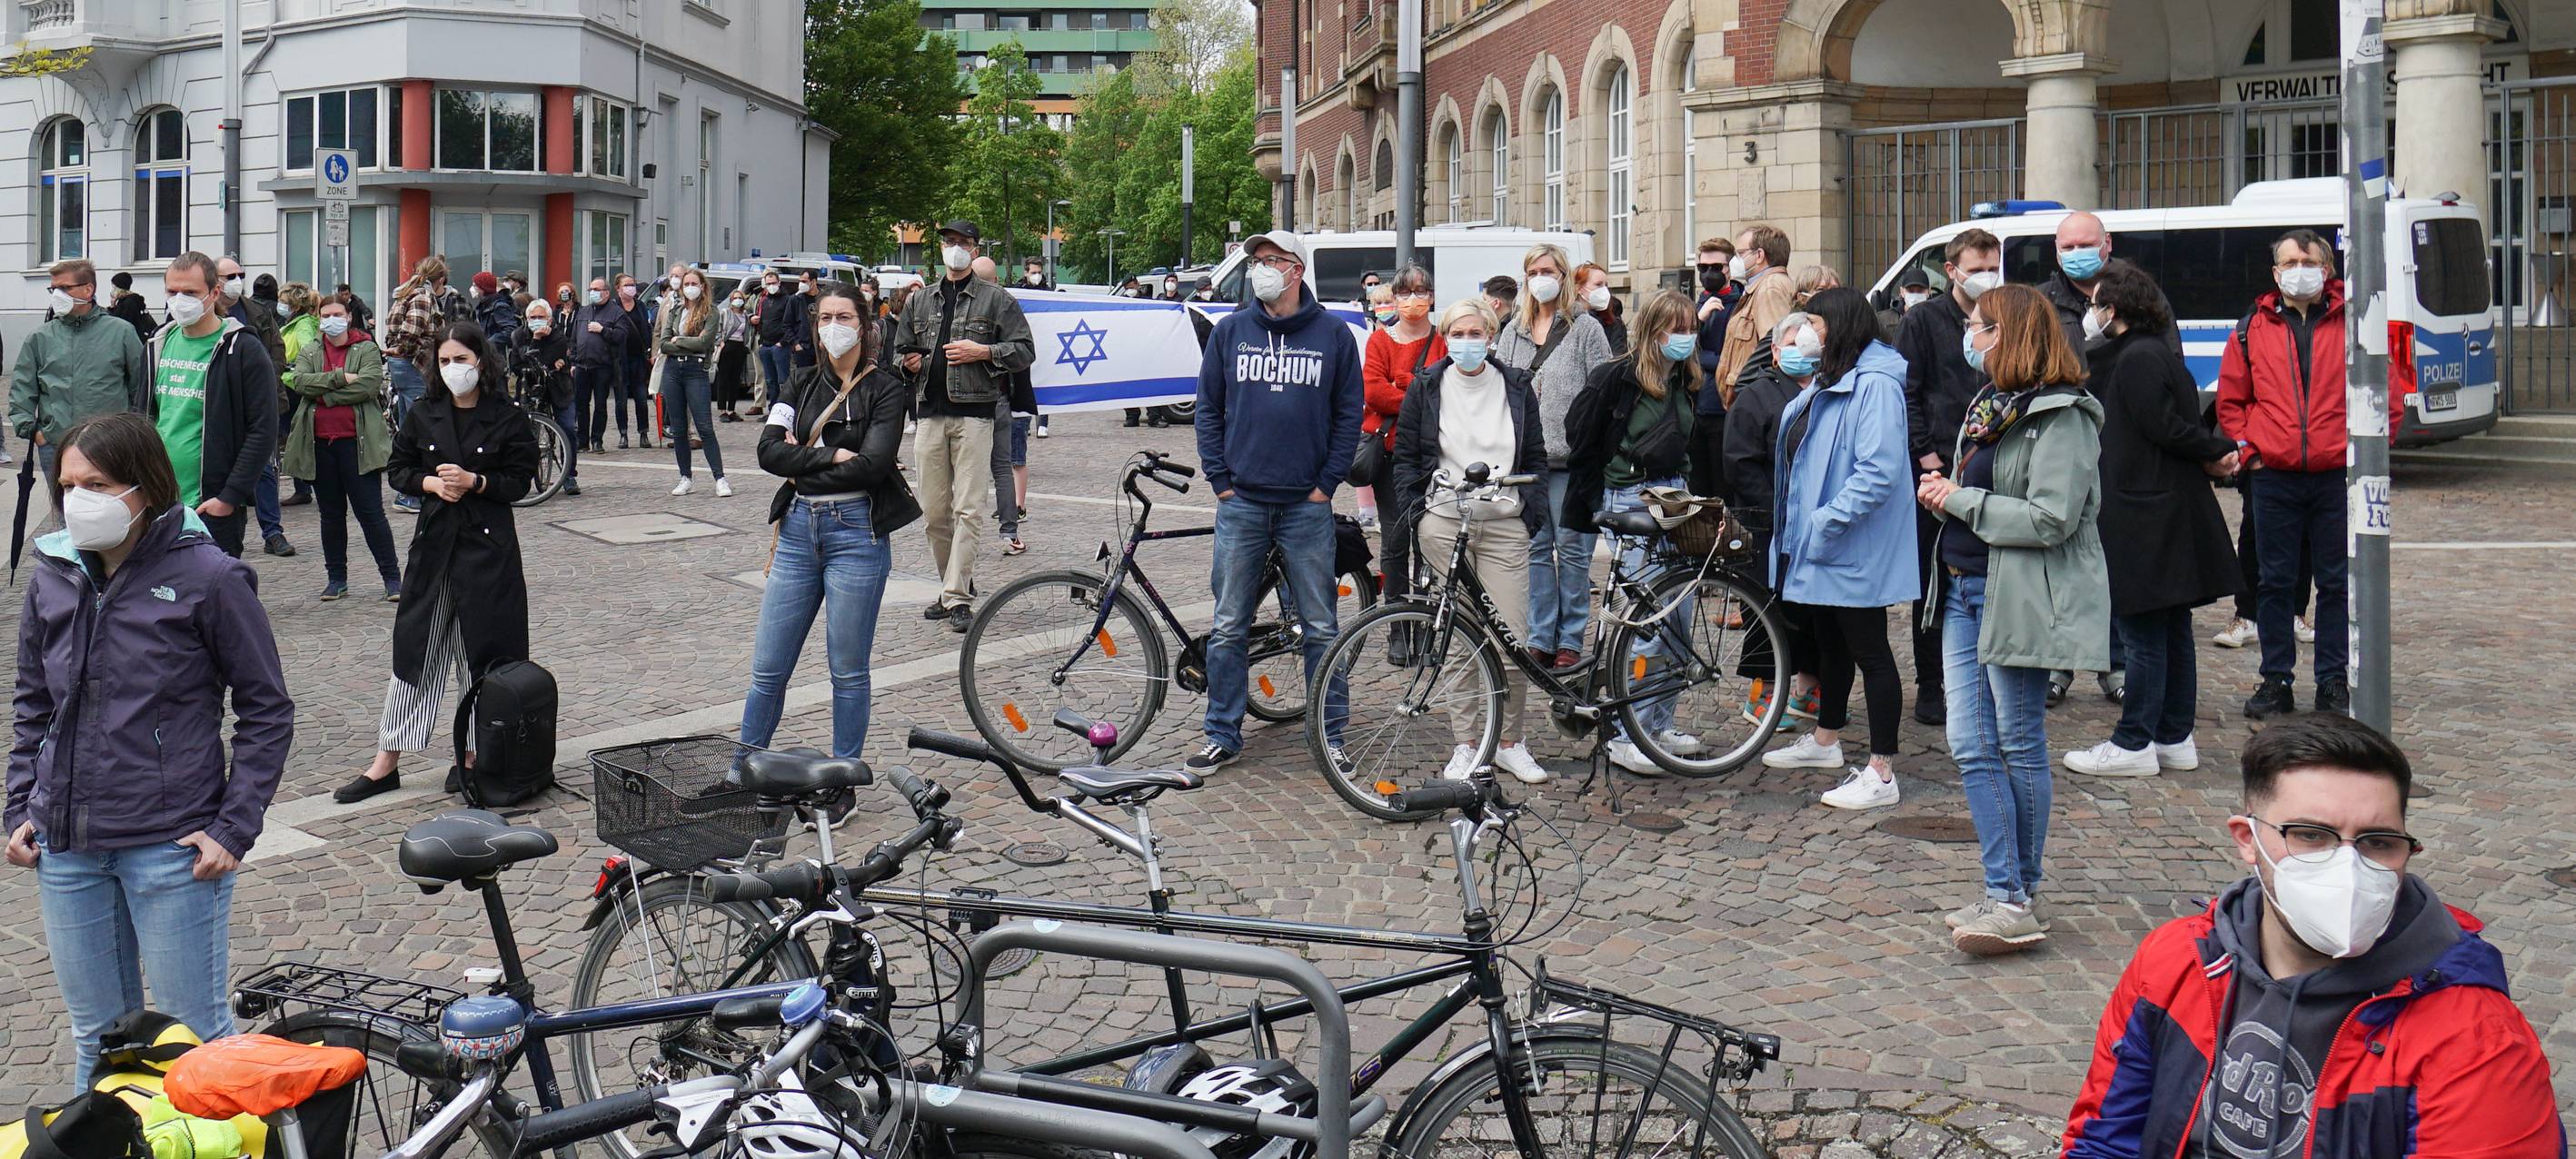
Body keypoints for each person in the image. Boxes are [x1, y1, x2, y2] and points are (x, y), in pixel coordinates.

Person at [2064, 714, 2565, 1157]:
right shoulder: (2177, 962)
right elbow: (2104, 1141)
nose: (2348, 867)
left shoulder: (2475, 1038)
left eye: (2378, 842)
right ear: (2248, 839)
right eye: (2311, 835)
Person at [7, 411, 293, 1084]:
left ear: (143, 488)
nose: (79, 499)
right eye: (68, 484)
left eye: (98, 484)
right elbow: (34, 704)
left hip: (170, 847)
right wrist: (20, 804)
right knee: (98, 1040)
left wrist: (234, 827)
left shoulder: (210, 577)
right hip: (68, 850)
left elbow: (267, 709)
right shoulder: (52, 574)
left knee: (195, 1039)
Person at [1913, 282, 2104, 954]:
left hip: (2015, 593)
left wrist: (1959, 500)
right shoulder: (1991, 404)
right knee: (1969, 744)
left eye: (1979, 326)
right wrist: (1946, 497)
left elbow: (2052, 518)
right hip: (1962, 588)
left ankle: (2014, 896)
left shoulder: (2063, 416)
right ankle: (2008, 891)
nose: (1969, 336)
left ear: (2011, 334)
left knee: (2017, 742)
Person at [335, 322, 539, 804]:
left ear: (481, 361)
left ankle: (472, 754)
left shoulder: (508, 416)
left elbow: (520, 480)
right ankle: (387, 760)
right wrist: (429, 484)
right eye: (444, 361)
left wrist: (475, 481)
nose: (452, 369)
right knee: (415, 650)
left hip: (487, 549)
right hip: (434, 546)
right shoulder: (424, 412)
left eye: (460, 360)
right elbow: (398, 470)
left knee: (483, 653)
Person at [1187, 229, 1361, 774]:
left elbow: (1348, 414)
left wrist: (1327, 483)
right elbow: (1208, 408)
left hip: (1307, 505)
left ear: (1296, 270)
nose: (1261, 268)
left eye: (1272, 259)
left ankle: (1329, 734)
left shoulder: (1333, 335)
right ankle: (1222, 732)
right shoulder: (1230, 331)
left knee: (1320, 627)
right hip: (1242, 502)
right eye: (1256, 260)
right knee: (1228, 625)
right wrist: (1220, 479)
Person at [2062, 262, 2238, 779]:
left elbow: (2165, 427)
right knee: (2170, 630)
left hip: (2144, 512)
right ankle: (2173, 736)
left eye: (2095, 304)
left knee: (2143, 633)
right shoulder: (2152, 352)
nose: (2090, 312)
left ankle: (2134, 739)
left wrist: (2218, 449)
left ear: (2113, 309)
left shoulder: (2137, 357)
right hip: (2160, 507)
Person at [745, 282, 918, 787]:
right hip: (797, 532)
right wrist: (832, 455)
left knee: (847, 670)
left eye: (844, 317)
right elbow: (767, 452)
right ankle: (740, 772)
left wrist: (801, 461)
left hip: (856, 534)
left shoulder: (886, 388)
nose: (833, 327)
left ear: (864, 325)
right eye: (825, 318)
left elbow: (873, 466)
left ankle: (842, 782)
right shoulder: (799, 382)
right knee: (768, 670)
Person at [1760, 286, 1916, 810]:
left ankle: (1882, 771)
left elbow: (1877, 471)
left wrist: (1825, 521)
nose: (1808, 333)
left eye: (1816, 325)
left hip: (1851, 544)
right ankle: (1826, 740)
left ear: (1841, 328)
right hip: (1825, 543)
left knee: (1871, 651)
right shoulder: (1833, 377)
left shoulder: (1876, 385)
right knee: (1831, 643)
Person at [2219, 229, 2376, 720]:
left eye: (2307, 261)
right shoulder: (2252, 327)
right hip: (2274, 477)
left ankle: (2332, 680)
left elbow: (2382, 391)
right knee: (2273, 583)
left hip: (2334, 478)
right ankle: (2276, 680)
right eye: (2289, 263)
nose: (2298, 270)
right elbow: (2232, 400)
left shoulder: (2354, 322)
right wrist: (2252, 451)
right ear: (2275, 273)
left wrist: (2367, 455)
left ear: (2326, 269)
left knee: (2336, 584)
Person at [1391, 298, 1550, 784]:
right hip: (1446, 524)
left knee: (1511, 638)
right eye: (1457, 334)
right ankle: (1466, 743)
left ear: (1491, 334)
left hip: (1504, 524)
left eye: (1475, 333)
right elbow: (1406, 458)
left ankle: (1510, 742)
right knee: (1458, 638)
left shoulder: (1516, 386)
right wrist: (1419, 512)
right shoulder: (1427, 386)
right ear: (1445, 338)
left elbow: (1536, 455)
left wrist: (1531, 514)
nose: (1466, 342)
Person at [1563, 290, 1707, 775]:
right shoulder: (1618, 377)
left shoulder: (1685, 378)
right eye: (1677, 329)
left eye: (1692, 328)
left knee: (1678, 619)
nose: (1686, 337)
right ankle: (1628, 734)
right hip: (1629, 497)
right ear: (1653, 330)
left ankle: (1657, 725)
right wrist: (1597, 500)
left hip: (1676, 496)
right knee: (1649, 621)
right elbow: (1581, 435)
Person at [896, 221, 1034, 631]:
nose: (954, 248)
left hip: (975, 414)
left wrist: (984, 351)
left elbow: (1025, 351)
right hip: (929, 414)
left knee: (968, 508)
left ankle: (957, 597)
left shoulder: (997, 299)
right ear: (941, 248)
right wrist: (907, 364)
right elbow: (898, 352)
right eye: (949, 242)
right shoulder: (921, 300)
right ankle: (953, 584)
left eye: (963, 243)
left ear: (975, 250)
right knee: (934, 513)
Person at [1896, 228, 2004, 728]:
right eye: (1977, 269)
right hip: (1937, 465)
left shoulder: (2004, 314)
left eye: (1993, 267)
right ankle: (1931, 682)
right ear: (1952, 270)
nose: (1986, 277)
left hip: (1990, 463)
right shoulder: (1922, 321)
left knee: (1987, 573)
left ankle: (1987, 676)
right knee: (1933, 577)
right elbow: (1907, 392)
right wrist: (1926, 457)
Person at [1495, 243, 1614, 673]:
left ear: (1563, 276)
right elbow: (1501, 388)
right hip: (1529, 462)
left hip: (1573, 461)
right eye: (1533, 272)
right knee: (1537, 550)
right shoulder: (1514, 330)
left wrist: (1590, 446)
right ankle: (1541, 636)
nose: (1540, 278)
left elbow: (1603, 390)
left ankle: (1571, 639)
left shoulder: (1585, 329)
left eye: (1547, 270)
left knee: (1574, 552)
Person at [1722, 311, 1821, 728]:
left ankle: (1807, 691)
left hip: (1813, 521)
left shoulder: (1823, 390)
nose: (1801, 351)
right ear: (1776, 352)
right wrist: (1776, 508)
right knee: (1767, 611)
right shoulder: (1756, 396)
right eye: (1792, 344)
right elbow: (1739, 462)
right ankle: (1761, 696)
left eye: (1807, 343)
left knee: (1812, 612)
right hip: (1767, 522)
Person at [147, 253, 279, 559]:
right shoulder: (158, 344)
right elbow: (144, 417)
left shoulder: (243, 348)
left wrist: (230, 497)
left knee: (214, 586)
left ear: (214, 292)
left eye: (190, 292)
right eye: (172, 292)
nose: (179, 300)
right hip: (159, 501)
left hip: (211, 506)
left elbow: (262, 429)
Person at [282, 293, 404, 601]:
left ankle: (392, 579)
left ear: (349, 317)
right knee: (331, 516)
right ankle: (336, 579)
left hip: (358, 446)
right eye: (326, 315)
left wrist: (325, 395)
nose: (331, 320)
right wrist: (340, 378)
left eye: (337, 314)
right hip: (320, 446)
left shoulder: (366, 348)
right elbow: (301, 382)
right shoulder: (311, 349)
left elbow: (369, 386)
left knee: (371, 514)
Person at [11, 258, 149, 520]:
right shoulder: (41, 337)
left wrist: (132, 432)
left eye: (65, 288)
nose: (57, 295)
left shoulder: (120, 332)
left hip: (110, 445)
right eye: (54, 289)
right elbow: (22, 388)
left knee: (113, 516)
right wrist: (34, 431)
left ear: (88, 290)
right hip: (56, 444)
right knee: (69, 518)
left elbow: (141, 387)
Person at [1361, 264, 1444, 593]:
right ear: (1395, 298)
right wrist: (1419, 390)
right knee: (1394, 540)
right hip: (1390, 455)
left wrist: (1402, 383)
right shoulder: (1380, 341)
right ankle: (1396, 614)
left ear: (1431, 296)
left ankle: (1424, 613)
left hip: (1434, 455)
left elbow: (1446, 394)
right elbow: (1374, 393)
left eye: (1420, 291)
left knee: (1428, 539)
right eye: (1405, 292)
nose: (1413, 299)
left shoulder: (1443, 340)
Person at [217, 257, 295, 558]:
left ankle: (272, 532)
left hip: (258, 403)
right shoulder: (206, 311)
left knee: (264, 468)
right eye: (230, 276)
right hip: (221, 405)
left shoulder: (258, 312)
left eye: (240, 274)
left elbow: (277, 351)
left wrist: (264, 383)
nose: (237, 280)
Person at [661, 268, 730, 497]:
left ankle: (720, 478)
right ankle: (685, 477)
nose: (690, 287)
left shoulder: (711, 312)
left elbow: (705, 343)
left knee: (705, 426)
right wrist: (685, 342)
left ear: (702, 286)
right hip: (673, 370)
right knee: (679, 428)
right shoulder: (676, 310)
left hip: (696, 370)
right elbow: (664, 343)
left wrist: (679, 340)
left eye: (694, 283)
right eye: (686, 284)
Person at [1716, 224, 1796, 406]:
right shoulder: (1761, 287)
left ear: (1759, 255)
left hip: (1755, 401)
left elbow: (1775, 348)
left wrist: (1745, 389)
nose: (1734, 261)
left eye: (1740, 254)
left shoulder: (1770, 288)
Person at [513, 298, 580, 497]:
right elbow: (521, 362)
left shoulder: (559, 337)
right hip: (530, 388)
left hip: (558, 387)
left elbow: (542, 361)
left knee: (568, 428)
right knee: (523, 432)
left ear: (549, 320)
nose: (536, 320)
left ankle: (569, 475)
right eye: (533, 317)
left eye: (540, 317)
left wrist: (542, 357)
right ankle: (522, 475)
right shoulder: (518, 335)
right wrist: (535, 339)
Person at [1690, 236, 1740, 498]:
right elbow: (1681, 350)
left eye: (1716, 267)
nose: (1708, 274)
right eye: (1703, 268)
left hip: (1723, 408)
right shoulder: (1695, 306)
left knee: (1723, 488)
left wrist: (1702, 357)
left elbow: (1733, 358)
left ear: (1729, 269)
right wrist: (1697, 320)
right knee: (1697, 490)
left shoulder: (1740, 304)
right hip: (1694, 407)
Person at [383, 255, 448, 429]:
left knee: (407, 415)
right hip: (413, 360)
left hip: (401, 361)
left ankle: (406, 444)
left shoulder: (406, 293)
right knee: (421, 415)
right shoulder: (422, 296)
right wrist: (401, 348)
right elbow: (413, 328)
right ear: (441, 280)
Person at [572, 277, 627, 456]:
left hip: (603, 366)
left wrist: (603, 330)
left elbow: (621, 337)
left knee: (600, 405)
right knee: (581, 405)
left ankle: (597, 440)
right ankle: (582, 441)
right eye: (591, 290)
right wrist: (573, 360)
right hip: (582, 365)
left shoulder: (616, 313)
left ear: (606, 292)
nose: (592, 293)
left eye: (596, 289)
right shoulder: (583, 312)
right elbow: (574, 338)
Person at [612, 273, 654, 448]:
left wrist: (650, 351)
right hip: (619, 360)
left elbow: (647, 329)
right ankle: (623, 434)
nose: (631, 288)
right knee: (621, 400)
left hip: (638, 359)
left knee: (641, 399)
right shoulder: (613, 307)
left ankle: (643, 432)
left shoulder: (641, 306)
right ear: (618, 288)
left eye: (633, 284)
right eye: (627, 285)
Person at [715, 281, 756, 421]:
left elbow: (748, 332)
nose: (738, 300)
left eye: (740, 298)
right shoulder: (725, 313)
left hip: (739, 348)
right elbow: (718, 330)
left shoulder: (745, 316)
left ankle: (731, 410)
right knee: (723, 380)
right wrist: (720, 343)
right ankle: (722, 410)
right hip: (727, 347)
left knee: (735, 381)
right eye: (735, 298)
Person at [1574, 263, 1626, 356]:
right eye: (1598, 284)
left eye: (1606, 285)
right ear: (1579, 289)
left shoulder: (1613, 323)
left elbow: (1618, 357)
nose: (1604, 290)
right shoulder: (1564, 321)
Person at [1878, 267, 1934, 336]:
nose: (1915, 295)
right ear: (1902, 292)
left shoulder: (1937, 320)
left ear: (1929, 291)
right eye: (1911, 291)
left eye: (1920, 291)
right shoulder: (1884, 321)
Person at [107, 272, 158, 338]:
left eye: (114, 288)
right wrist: (113, 305)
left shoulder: (128, 303)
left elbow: (117, 323)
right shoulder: (128, 299)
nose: (112, 291)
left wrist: (112, 307)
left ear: (119, 289)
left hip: (132, 338)